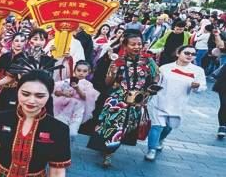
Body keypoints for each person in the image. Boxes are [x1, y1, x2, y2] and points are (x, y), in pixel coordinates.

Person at [88, 31, 159, 168]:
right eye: (133, 44)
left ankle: (108, 148)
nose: (137, 47)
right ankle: (108, 154)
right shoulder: (117, 60)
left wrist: (148, 92)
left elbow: (156, 76)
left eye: (139, 44)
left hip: (136, 101)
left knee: (126, 127)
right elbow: (108, 82)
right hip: (117, 100)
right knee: (113, 126)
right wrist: (113, 73)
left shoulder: (148, 60)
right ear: (125, 45)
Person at [145, 45, 207, 161]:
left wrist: (197, 86)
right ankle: (151, 149)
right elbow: (156, 82)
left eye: (193, 54)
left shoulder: (198, 71)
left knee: (168, 127)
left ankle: (160, 140)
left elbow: (202, 87)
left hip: (178, 104)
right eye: (187, 53)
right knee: (157, 126)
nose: (190, 56)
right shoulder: (165, 68)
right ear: (178, 53)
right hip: (160, 101)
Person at [53, 60, 99, 138]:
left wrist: (77, 88)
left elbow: (86, 97)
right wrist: (63, 93)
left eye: (84, 71)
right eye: (79, 70)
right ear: (74, 70)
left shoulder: (88, 84)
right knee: (60, 128)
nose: (81, 73)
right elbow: (56, 92)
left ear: (88, 72)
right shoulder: (67, 81)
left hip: (78, 110)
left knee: (72, 133)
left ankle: (68, 146)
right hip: (64, 108)